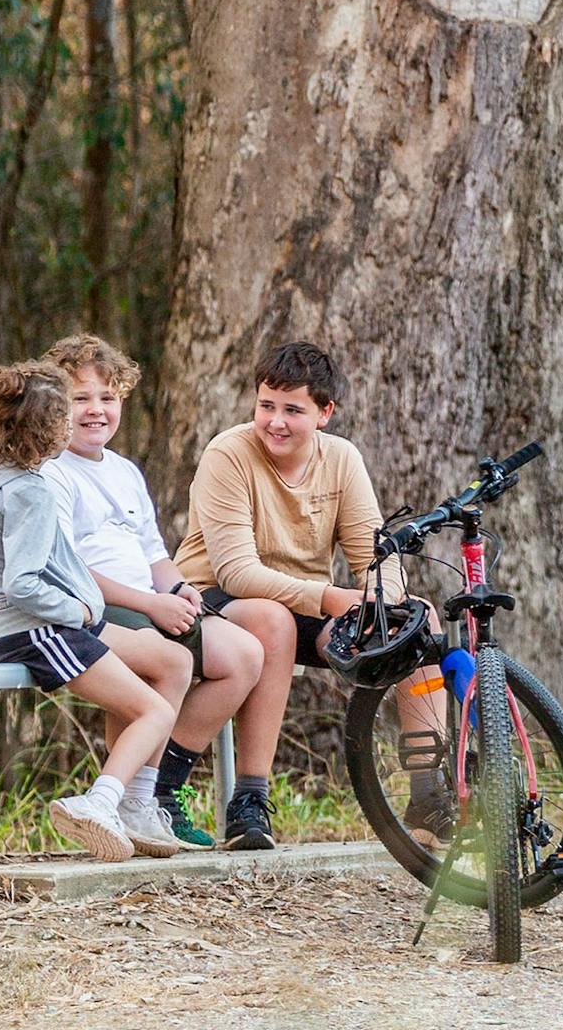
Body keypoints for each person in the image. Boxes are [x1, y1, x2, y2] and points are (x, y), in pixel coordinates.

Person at [173, 341, 444, 850]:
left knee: (421, 621)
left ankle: (428, 794)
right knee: (272, 621)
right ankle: (250, 802)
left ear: (324, 413)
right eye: (266, 406)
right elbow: (237, 571)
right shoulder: (228, 453)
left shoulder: (341, 458)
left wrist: (381, 602)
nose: (275, 422)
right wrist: (332, 599)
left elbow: (375, 557)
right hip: (216, 598)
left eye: (292, 410)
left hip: (305, 603)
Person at [42, 332, 265, 850]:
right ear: (56, 404)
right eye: (81, 398)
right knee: (164, 660)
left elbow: (153, 555)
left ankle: (154, 792)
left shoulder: (125, 471)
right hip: (101, 607)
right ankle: (128, 797)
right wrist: (150, 604)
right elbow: (65, 567)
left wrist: (180, 589)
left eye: (108, 397)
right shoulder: (52, 472)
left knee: (245, 655)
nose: (96, 410)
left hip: (152, 603)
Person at [0, 360, 181, 860]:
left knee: (166, 671)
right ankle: (100, 803)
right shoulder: (30, 491)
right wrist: (78, 610)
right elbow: (21, 585)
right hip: (41, 630)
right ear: (49, 429)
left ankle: (128, 806)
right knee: (155, 710)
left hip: (40, 626)